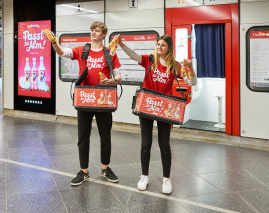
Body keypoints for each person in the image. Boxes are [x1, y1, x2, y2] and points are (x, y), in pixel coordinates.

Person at [117, 34, 197, 194]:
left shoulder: (174, 65)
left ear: (169, 48)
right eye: (158, 44)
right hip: (147, 104)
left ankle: (166, 179)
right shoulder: (149, 60)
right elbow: (134, 55)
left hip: (165, 108)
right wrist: (121, 44)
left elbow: (192, 82)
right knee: (145, 143)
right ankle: (144, 176)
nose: (159, 47)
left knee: (164, 144)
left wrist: (190, 68)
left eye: (162, 45)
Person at [46, 21, 122, 186]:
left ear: (103, 34)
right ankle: (84, 171)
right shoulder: (82, 50)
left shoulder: (110, 52)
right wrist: (54, 41)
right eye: (92, 30)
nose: (93, 33)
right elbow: (62, 52)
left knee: (105, 136)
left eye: (97, 30)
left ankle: (105, 168)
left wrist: (112, 80)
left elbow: (118, 76)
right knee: (82, 137)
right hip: (85, 98)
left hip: (103, 99)